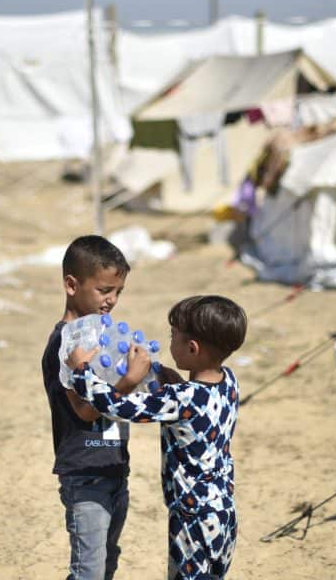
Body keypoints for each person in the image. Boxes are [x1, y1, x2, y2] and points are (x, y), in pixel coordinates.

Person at [66, 295, 247, 580]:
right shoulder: (229, 381)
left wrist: (82, 371)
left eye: (173, 336)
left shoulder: (181, 398)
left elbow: (118, 407)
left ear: (192, 348)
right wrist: (173, 379)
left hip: (192, 517)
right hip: (223, 510)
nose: (169, 341)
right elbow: (198, 406)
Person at [41, 235, 141, 580]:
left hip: (113, 466)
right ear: (72, 284)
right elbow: (85, 410)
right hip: (85, 475)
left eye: (118, 291)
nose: (112, 300)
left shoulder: (101, 338)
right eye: (104, 290)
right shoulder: (65, 344)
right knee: (89, 571)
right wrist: (128, 381)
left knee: (106, 562)